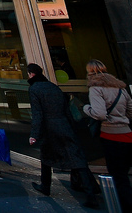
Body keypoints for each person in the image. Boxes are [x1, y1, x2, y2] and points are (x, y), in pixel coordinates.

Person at [83, 60, 132, 213]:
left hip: (111, 136)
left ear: (89, 72)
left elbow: (99, 114)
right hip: (128, 136)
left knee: (118, 180)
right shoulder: (120, 89)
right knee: (123, 177)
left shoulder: (96, 89)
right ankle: (126, 209)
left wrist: (86, 108)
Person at [27, 63, 101, 208]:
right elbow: (66, 109)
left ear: (31, 74)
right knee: (76, 158)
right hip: (64, 125)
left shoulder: (34, 89)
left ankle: (45, 185)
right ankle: (90, 191)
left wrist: (34, 134)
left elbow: (38, 113)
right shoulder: (54, 87)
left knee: (46, 157)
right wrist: (71, 126)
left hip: (49, 128)